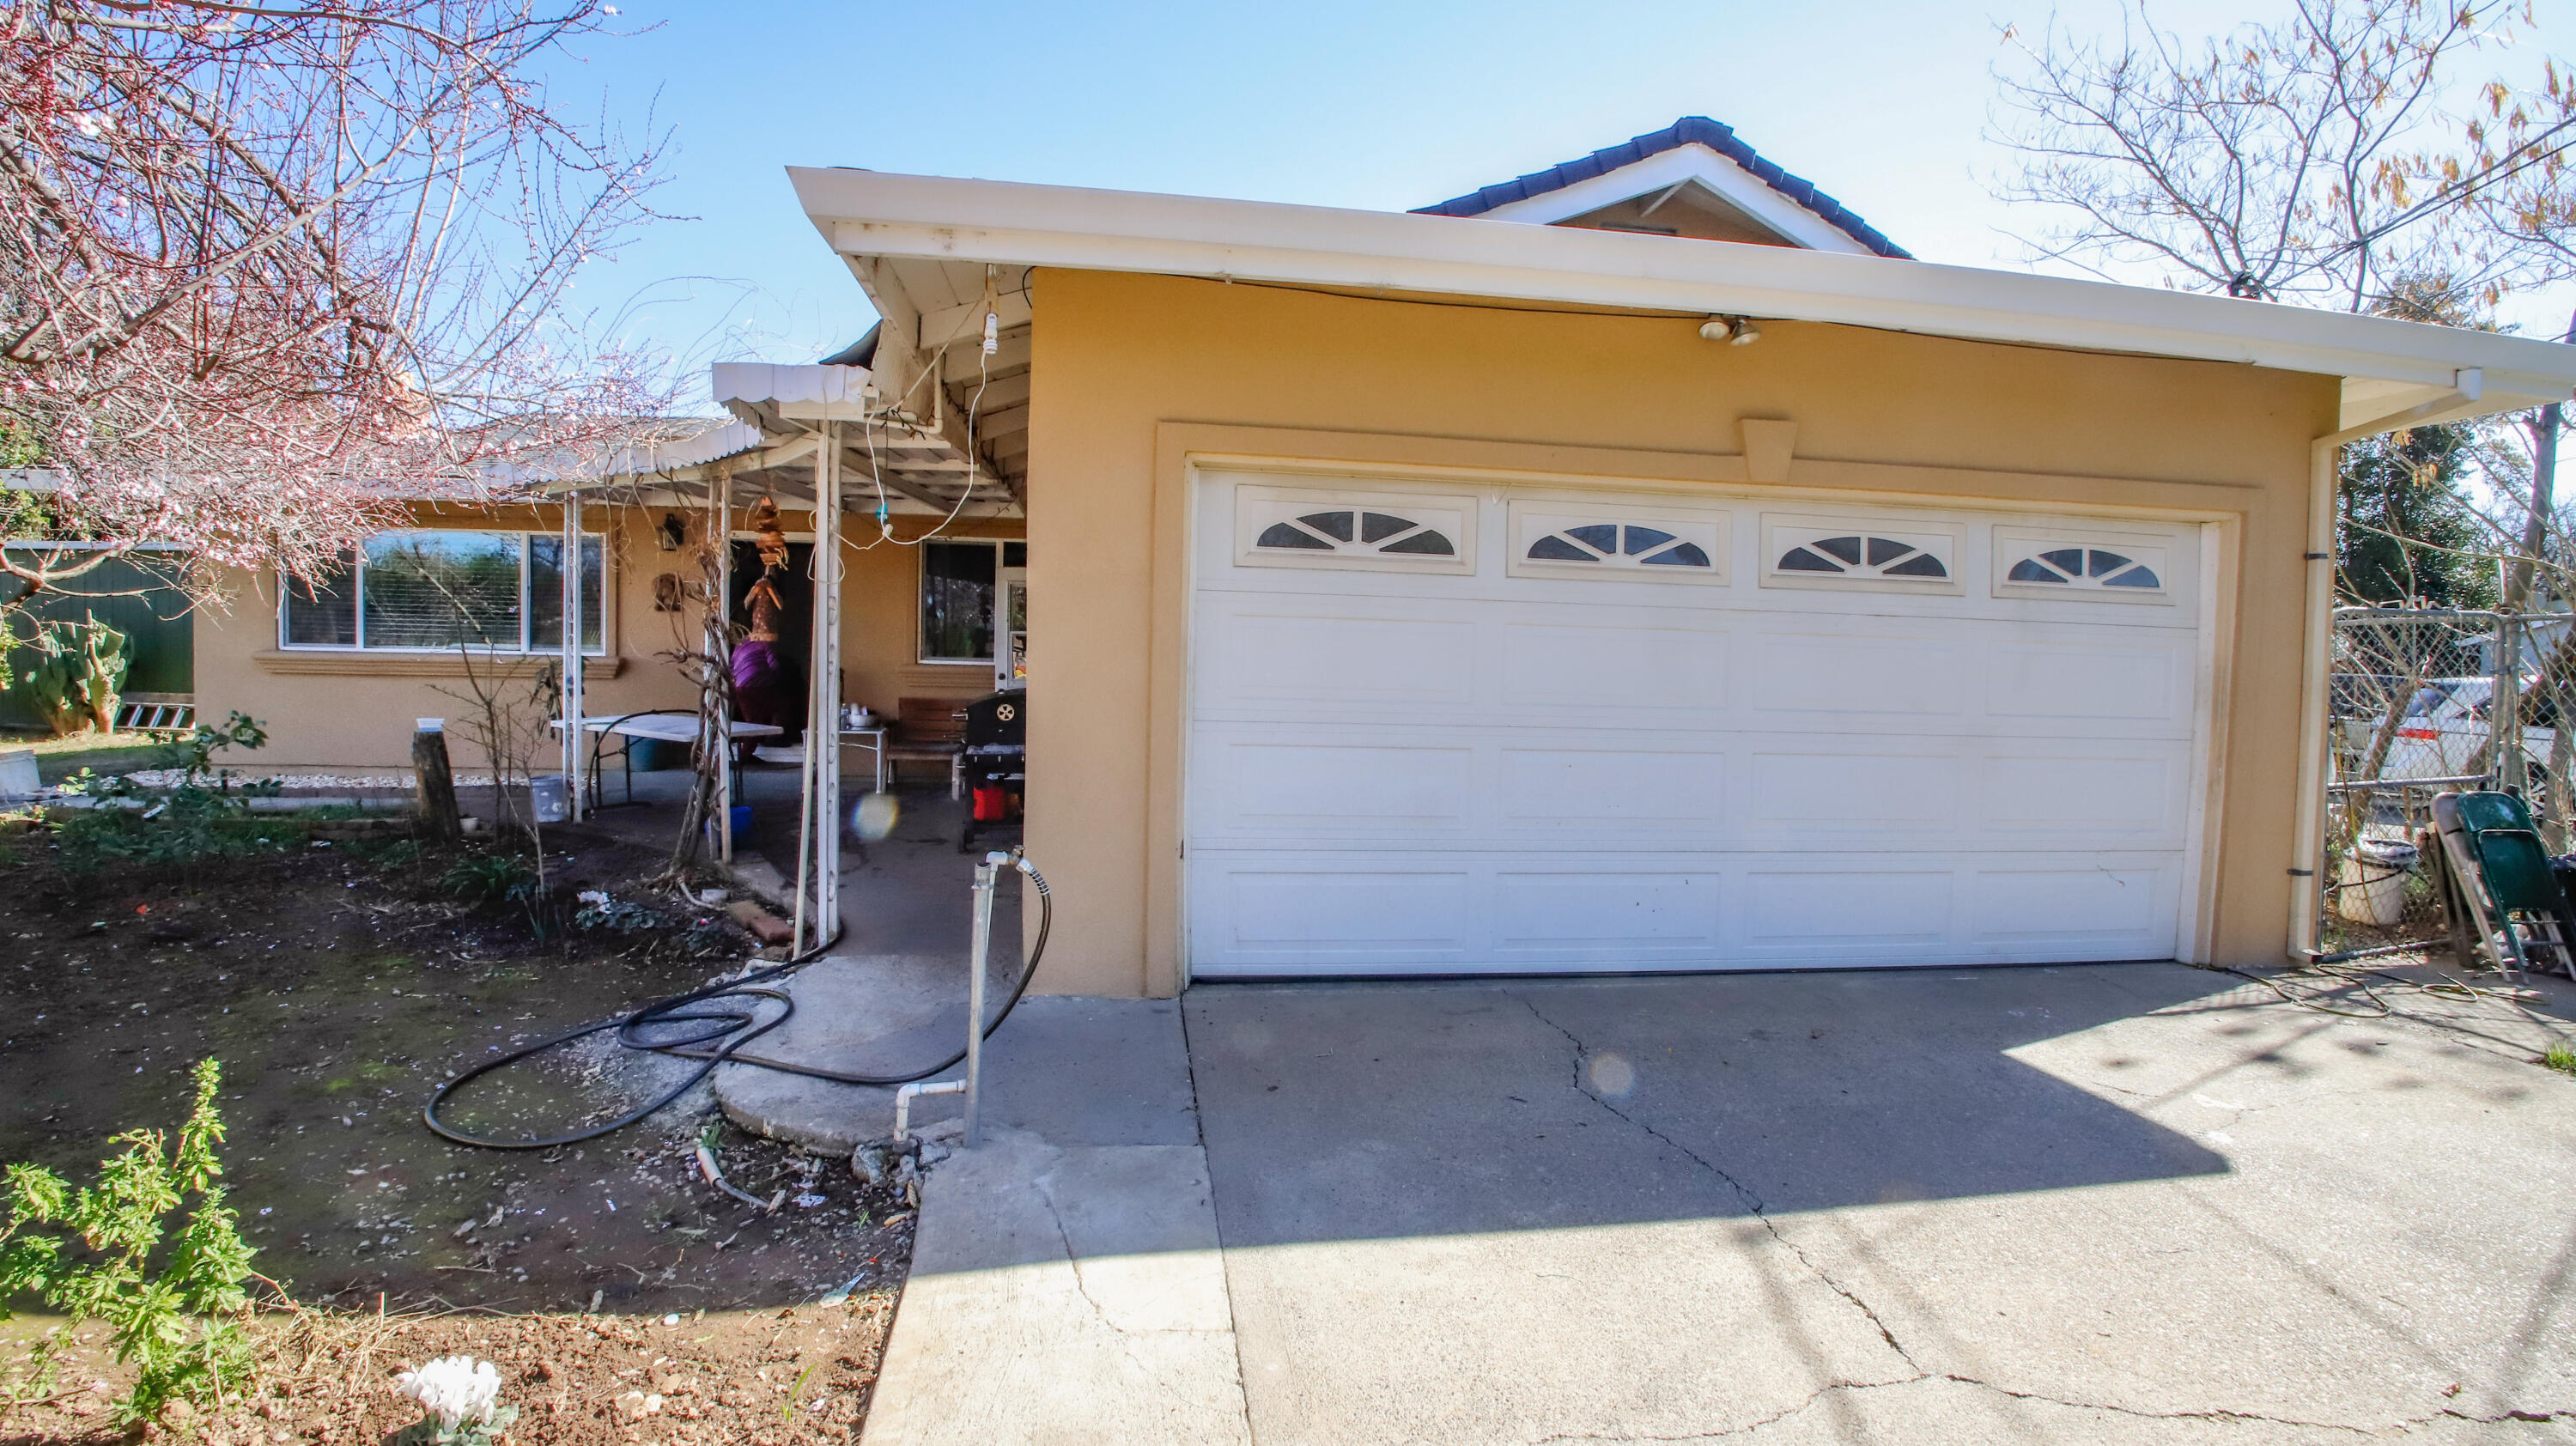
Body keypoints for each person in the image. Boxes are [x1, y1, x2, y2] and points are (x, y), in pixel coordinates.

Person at [730, 499, 802, 761]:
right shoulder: (764, 644)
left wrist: (734, 678)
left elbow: (732, 663)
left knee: (754, 719)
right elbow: (772, 663)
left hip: (742, 685)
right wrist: (776, 674)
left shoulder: (743, 645)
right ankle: (751, 751)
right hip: (757, 684)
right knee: (777, 708)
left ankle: (746, 752)